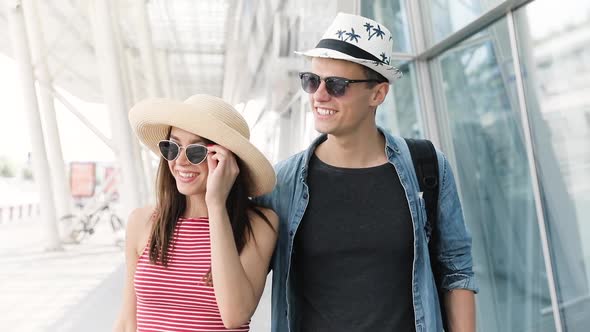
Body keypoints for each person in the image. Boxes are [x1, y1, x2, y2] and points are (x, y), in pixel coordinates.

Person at [255, 13, 478, 332]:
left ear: (378, 94)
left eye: (337, 85)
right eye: (311, 80)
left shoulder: (426, 167)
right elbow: (237, 293)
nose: (319, 95)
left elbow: (457, 271)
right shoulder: (280, 184)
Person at [114, 94, 278, 332]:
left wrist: (216, 205)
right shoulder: (142, 222)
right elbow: (128, 322)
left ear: (228, 161)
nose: (180, 161)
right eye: (172, 147)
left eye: (196, 151)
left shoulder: (258, 225)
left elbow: (235, 316)